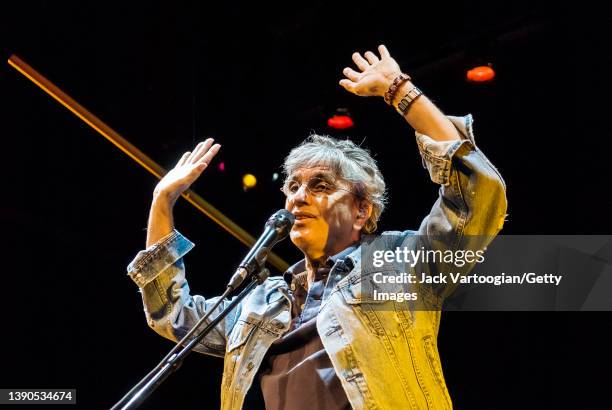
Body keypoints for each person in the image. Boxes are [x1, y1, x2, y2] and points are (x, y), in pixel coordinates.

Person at [127, 44, 507, 410]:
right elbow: (172, 314)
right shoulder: (260, 301)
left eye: (320, 186)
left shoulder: (399, 264)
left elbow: (477, 194)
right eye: (292, 187)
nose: (297, 197)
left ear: (362, 211)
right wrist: (162, 201)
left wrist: (400, 91)